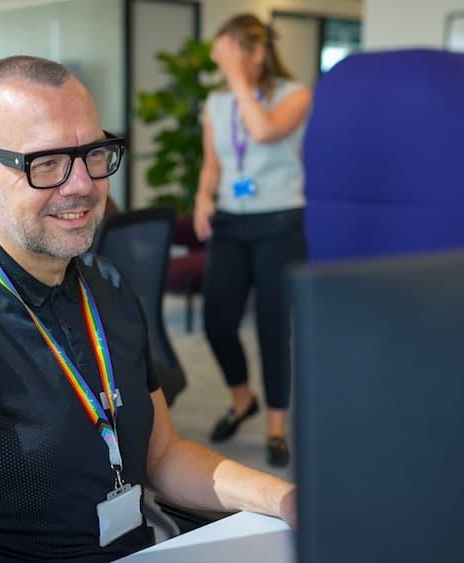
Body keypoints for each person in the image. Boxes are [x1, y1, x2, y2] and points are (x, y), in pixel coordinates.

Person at [0, 55, 297, 563]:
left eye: (93, 153)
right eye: (45, 163)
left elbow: (161, 455)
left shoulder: (107, 284)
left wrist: (287, 498)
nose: (82, 185)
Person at [193, 14, 312, 466]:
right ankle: (242, 399)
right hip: (230, 222)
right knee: (217, 321)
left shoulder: (294, 95)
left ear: (256, 52)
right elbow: (213, 163)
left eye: (228, 53)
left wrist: (240, 80)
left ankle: (277, 426)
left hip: (280, 221)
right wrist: (204, 194)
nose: (222, 64)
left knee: (272, 327)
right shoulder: (216, 103)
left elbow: (263, 130)